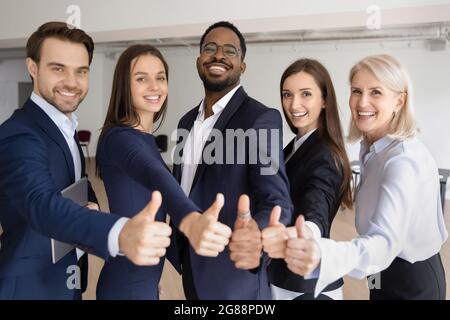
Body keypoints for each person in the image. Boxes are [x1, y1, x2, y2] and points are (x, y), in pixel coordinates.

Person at [0, 22, 171, 300]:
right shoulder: (19, 134)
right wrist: (121, 233)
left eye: (81, 71)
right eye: (58, 69)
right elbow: (42, 205)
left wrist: (93, 209)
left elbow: (76, 194)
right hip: (30, 290)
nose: (71, 82)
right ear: (33, 68)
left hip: (66, 283)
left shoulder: (64, 129)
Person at [284, 54, 448, 300]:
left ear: (399, 101)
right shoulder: (371, 148)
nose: (362, 102)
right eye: (356, 91)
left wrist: (321, 253)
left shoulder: (402, 160)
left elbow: (383, 245)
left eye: (376, 92)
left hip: (410, 280)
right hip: (380, 274)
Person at [95, 44, 231, 299]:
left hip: (143, 277)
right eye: (141, 79)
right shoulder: (119, 137)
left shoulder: (143, 137)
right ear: (124, 85)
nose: (154, 87)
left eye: (160, 77)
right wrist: (191, 219)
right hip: (128, 283)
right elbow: (155, 176)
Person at [171, 21, 293, 300]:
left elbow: (277, 201)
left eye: (230, 51)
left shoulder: (260, 119)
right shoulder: (185, 122)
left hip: (234, 276)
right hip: (189, 264)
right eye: (210, 49)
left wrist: (256, 233)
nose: (218, 56)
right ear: (199, 61)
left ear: (242, 66)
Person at [261, 58, 353, 300]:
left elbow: (318, 202)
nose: (294, 104)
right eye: (287, 94)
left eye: (306, 94)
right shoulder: (294, 147)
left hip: (307, 287)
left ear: (324, 100)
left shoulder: (325, 154)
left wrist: (308, 231)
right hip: (286, 279)